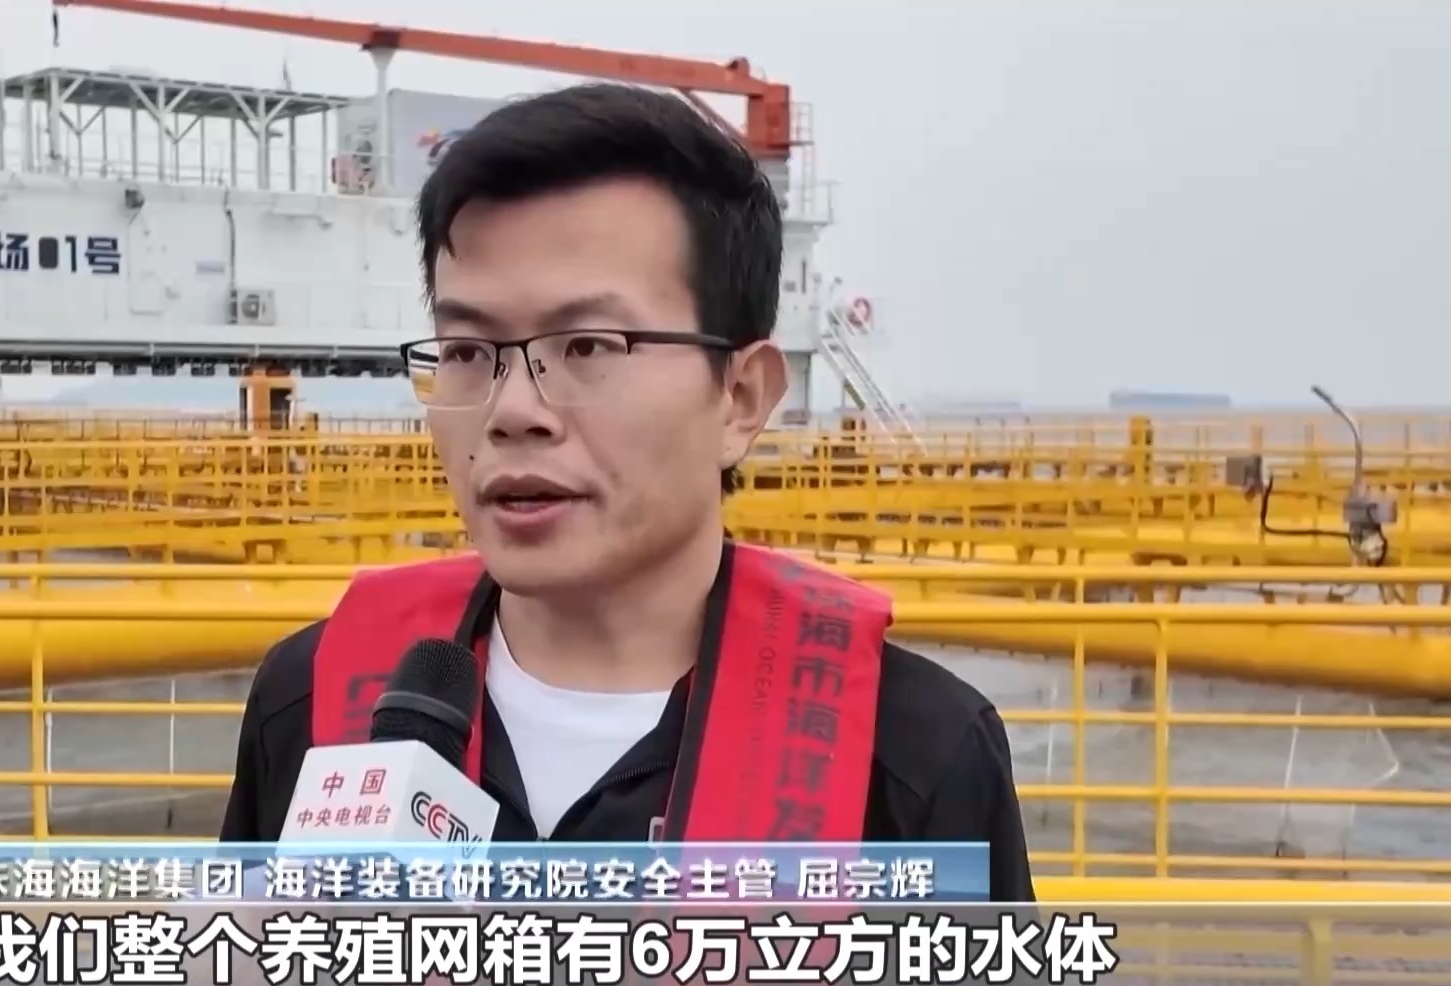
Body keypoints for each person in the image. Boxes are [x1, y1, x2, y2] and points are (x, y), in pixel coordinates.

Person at [220, 83, 1034, 901]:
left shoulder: (910, 760)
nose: (512, 410)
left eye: (588, 346)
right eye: (466, 351)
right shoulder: (314, 701)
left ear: (740, 397)